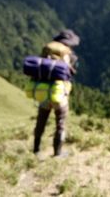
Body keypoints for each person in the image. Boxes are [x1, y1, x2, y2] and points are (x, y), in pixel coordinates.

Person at [33, 29, 80, 158]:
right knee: (60, 122)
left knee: (41, 120)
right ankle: (57, 153)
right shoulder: (68, 54)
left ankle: (36, 149)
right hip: (59, 92)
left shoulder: (47, 49)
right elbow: (71, 72)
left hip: (43, 90)